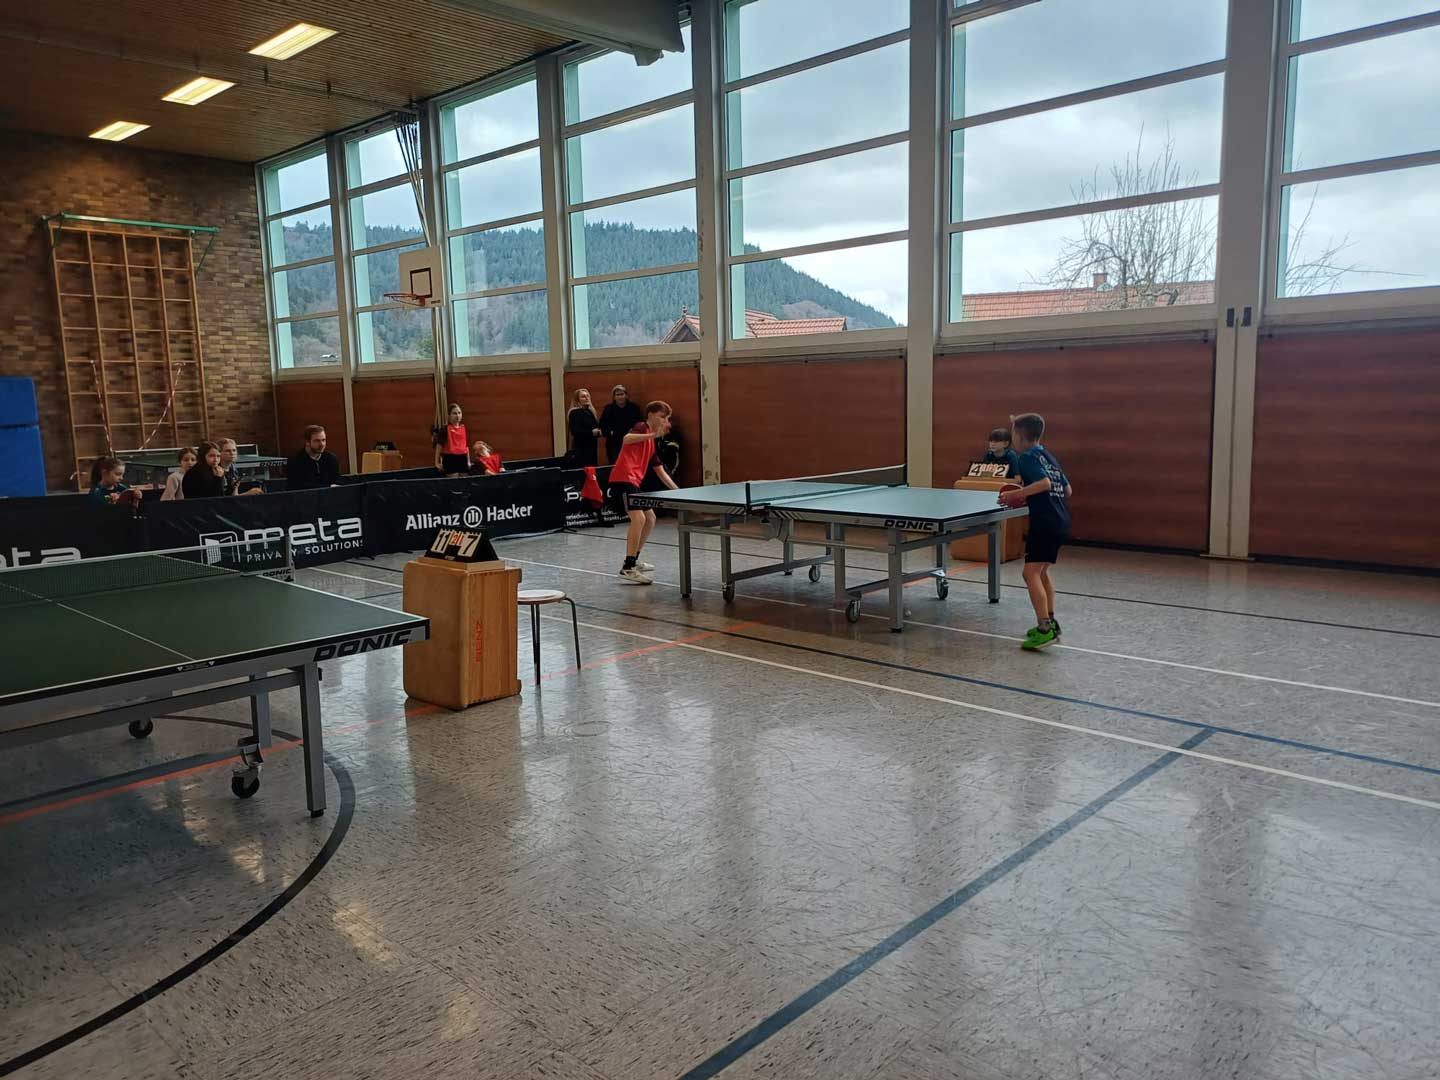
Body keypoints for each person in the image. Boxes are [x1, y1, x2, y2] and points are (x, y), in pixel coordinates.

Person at [999, 413, 1073, 651]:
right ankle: (1051, 622)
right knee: (1041, 572)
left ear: (1019, 436)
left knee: (1029, 573)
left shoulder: (1026, 457)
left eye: (1013, 433)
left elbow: (1044, 484)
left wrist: (1016, 494)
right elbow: (1067, 490)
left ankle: (1044, 629)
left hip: (1045, 522)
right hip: (1060, 520)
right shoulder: (1048, 456)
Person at [607, 400, 679, 584]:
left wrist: (678, 492)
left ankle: (634, 560)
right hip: (623, 479)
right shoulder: (641, 427)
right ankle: (628, 568)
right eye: (662, 416)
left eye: (667, 418)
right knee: (639, 519)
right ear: (650, 415)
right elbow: (626, 439)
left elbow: (661, 472)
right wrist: (652, 434)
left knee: (651, 518)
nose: (665, 421)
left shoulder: (651, 444)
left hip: (633, 482)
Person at [286, 425, 342, 489]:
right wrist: (328, 487)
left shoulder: (331, 459)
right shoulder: (295, 460)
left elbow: (337, 482)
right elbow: (298, 486)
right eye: (317, 441)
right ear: (307, 442)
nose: (322, 444)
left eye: (323, 440)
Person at [599, 384, 641, 465]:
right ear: (614, 397)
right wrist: (610, 432)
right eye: (617, 395)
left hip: (631, 441)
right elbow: (602, 425)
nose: (620, 397)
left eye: (622, 394)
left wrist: (634, 431)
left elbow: (640, 422)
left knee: (631, 464)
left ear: (626, 396)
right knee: (615, 464)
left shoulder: (633, 407)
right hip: (613, 443)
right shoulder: (608, 408)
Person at [567, 388, 602, 466]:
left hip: (591, 447)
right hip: (581, 448)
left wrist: (598, 432)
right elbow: (575, 431)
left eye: (588, 396)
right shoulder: (575, 412)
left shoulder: (590, 411)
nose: (587, 398)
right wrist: (591, 432)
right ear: (577, 400)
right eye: (583, 396)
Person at [433, 403, 470, 476]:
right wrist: (437, 462)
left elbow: (465, 446)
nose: (457, 415)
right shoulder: (444, 429)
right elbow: (439, 445)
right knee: (454, 480)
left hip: (463, 458)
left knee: (464, 480)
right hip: (450, 458)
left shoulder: (463, 428)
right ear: (449, 416)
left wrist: (468, 461)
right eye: (454, 413)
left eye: (459, 413)